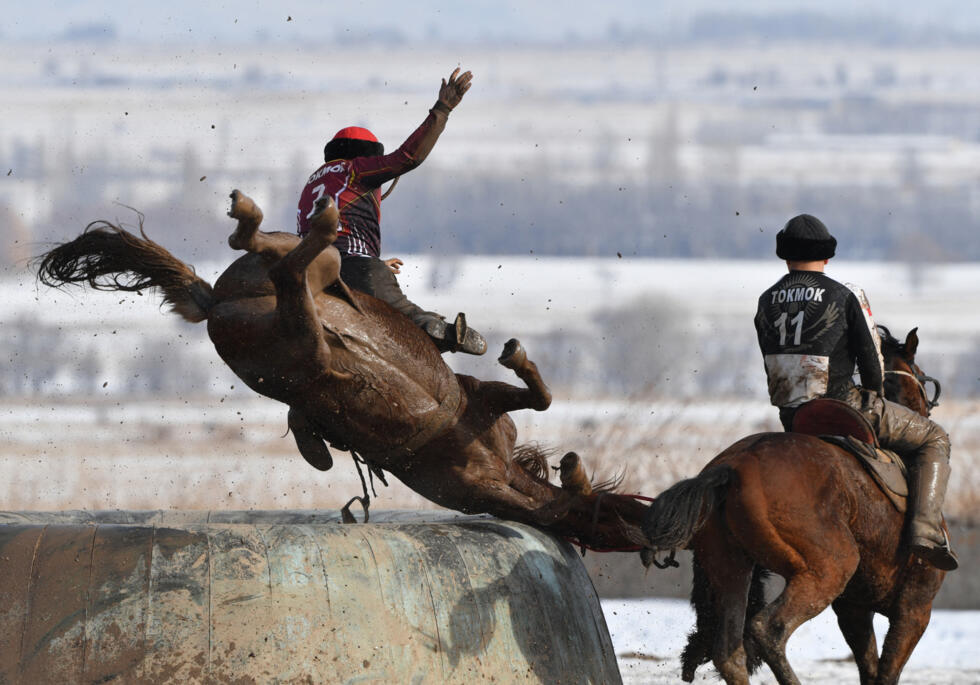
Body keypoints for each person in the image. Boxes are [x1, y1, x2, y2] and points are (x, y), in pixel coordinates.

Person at [754, 214, 957, 570]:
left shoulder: (766, 300)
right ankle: (925, 532)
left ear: (784, 257)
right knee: (935, 438)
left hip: (792, 416)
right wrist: (875, 395)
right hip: (843, 406)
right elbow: (873, 363)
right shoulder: (844, 294)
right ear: (827, 257)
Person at [296, 67, 486, 355]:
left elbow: (327, 236)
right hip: (356, 268)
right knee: (406, 316)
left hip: (308, 275)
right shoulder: (356, 169)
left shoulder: (312, 182)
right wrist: (443, 108)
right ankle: (445, 333)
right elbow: (408, 157)